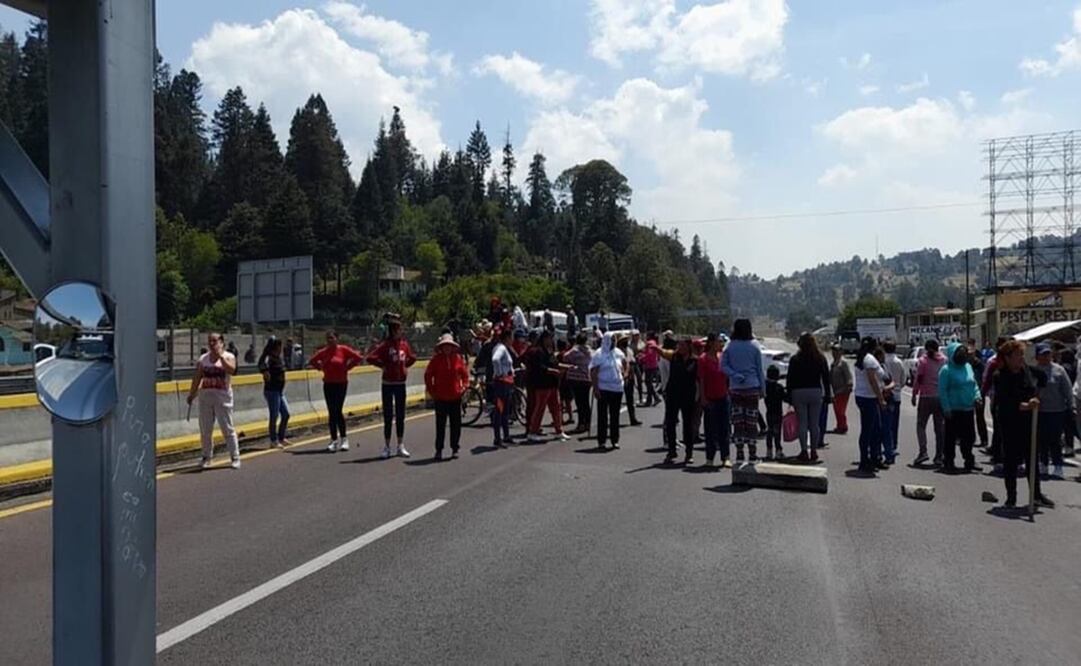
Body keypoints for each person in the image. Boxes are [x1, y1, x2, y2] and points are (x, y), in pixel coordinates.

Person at [994, 340, 1053, 508]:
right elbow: (1005, 401)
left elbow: (1042, 378)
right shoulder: (1000, 376)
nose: (1021, 358)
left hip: (1029, 421)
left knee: (1032, 458)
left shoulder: (1026, 370)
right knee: (1011, 460)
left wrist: (1036, 397)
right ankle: (1011, 497)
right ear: (1007, 358)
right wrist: (1024, 405)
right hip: (1010, 421)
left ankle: (1036, 495)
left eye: (1022, 355)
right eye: (1018, 355)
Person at [187, 332, 240, 469]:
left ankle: (235, 456)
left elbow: (232, 370)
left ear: (222, 342)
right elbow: (197, 377)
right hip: (206, 398)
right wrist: (192, 394)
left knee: (227, 428)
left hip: (223, 398)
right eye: (210, 341)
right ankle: (206, 456)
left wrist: (220, 357)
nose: (212, 344)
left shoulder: (229, 357)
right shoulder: (203, 359)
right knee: (205, 429)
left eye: (215, 341)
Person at [366, 319, 417, 458]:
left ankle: (400, 445)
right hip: (388, 384)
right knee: (388, 416)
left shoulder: (404, 345)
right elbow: (370, 358)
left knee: (401, 415)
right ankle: (387, 446)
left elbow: (412, 357)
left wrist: (405, 366)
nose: (402, 331)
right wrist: (383, 366)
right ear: (394, 331)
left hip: (400, 384)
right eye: (399, 329)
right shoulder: (385, 345)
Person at [309, 331, 363, 453]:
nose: (330, 340)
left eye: (332, 338)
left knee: (337, 410)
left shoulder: (343, 350)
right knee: (331, 411)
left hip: (341, 384)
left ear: (336, 339)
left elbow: (358, 357)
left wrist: (348, 367)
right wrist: (320, 367)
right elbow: (312, 361)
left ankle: (344, 438)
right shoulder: (324, 352)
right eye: (328, 338)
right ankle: (333, 440)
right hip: (328, 384)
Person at [721, 319, 765, 462]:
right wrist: (762, 389)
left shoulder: (729, 346)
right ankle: (752, 453)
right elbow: (760, 370)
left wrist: (735, 375)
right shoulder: (755, 346)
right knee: (751, 422)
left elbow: (723, 366)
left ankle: (739, 453)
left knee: (738, 422)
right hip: (752, 387)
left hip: (736, 389)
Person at [786, 332, 832, 463]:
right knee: (814, 423)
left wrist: (789, 396)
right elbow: (826, 378)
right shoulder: (820, 358)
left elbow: (790, 379)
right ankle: (814, 450)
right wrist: (828, 394)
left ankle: (804, 451)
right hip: (815, 391)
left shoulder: (795, 359)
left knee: (802, 423)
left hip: (799, 392)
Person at [938, 341, 981, 473]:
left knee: (968, 437)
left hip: (968, 408)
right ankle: (949, 461)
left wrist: (977, 396)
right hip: (953, 410)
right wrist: (946, 408)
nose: (962, 356)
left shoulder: (967, 366)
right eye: (959, 353)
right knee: (950, 438)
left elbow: (973, 385)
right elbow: (942, 391)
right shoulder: (946, 370)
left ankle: (969, 460)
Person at [424, 334, 469, 460]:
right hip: (441, 398)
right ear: (442, 347)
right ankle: (439, 450)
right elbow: (428, 376)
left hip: (455, 397)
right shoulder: (436, 360)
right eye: (445, 346)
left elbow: (465, 376)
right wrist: (432, 391)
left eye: (449, 346)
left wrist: (463, 388)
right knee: (440, 426)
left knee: (456, 425)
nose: (447, 348)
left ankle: (455, 448)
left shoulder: (458, 359)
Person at [524, 330, 570, 443]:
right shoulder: (538, 352)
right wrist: (553, 371)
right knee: (540, 408)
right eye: (550, 338)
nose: (551, 340)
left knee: (556, 407)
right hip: (542, 384)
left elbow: (555, 363)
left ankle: (559, 431)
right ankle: (533, 431)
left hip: (552, 384)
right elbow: (540, 368)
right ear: (544, 339)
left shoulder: (549, 351)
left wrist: (567, 367)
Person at [1034, 342, 1071, 479]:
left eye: (1048, 354)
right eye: (1043, 354)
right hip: (1040, 411)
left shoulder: (1059, 370)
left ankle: (1058, 465)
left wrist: (1070, 406)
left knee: (1055, 439)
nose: (1046, 356)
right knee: (1041, 439)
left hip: (1057, 410)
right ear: (1037, 356)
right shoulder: (1034, 371)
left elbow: (1067, 389)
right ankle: (1043, 463)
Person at [853, 337, 887, 474]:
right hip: (869, 398)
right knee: (870, 430)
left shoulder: (862, 358)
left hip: (862, 396)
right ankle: (865, 460)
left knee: (874, 429)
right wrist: (881, 399)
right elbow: (872, 380)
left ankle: (873, 457)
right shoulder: (869, 359)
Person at [661, 338, 698, 464]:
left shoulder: (695, 360)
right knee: (670, 423)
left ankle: (689, 453)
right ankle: (672, 451)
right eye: (679, 345)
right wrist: (655, 348)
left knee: (688, 425)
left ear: (688, 346)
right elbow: (662, 352)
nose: (680, 347)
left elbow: (699, 379)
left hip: (688, 396)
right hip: (673, 394)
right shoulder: (674, 357)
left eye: (682, 345)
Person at [698, 333, 731, 467]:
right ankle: (710, 458)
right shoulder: (703, 359)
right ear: (711, 343)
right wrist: (703, 397)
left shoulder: (722, 357)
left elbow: (728, 376)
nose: (721, 344)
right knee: (710, 430)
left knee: (724, 428)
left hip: (723, 397)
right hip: (710, 398)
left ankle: (726, 457)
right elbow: (701, 380)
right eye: (718, 341)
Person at [911, 339, 946, 466]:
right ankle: (939, 456)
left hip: (926, 396)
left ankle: (923, 452)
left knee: (921, 425)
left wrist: (914, 394)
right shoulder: (944, 360)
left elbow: (918, 379)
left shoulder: (923, 361)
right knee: (939, 428)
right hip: (940, 397)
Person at [590, 331, 627, 451]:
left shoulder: (618, 353)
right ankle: (601, 441)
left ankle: (614, 440)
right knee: (603, 416)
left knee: (615, 416)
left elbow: (625, 363)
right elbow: (594, 372)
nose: (613, 342)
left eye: (614, 340)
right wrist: (595, 388)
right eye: (612, 340)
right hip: (603, 388)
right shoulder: (599, 354)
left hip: (617, 388)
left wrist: (625, 374)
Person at [258, 338, 290, 449]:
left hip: (279, 391)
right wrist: (265, 372)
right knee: (274, 415)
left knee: (286, 414)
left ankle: (281, 437)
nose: (280, 349)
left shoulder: (278, 358)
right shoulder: (269, 358)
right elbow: (261, 364)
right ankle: (273, 440)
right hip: (272, 391)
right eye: (279, 346)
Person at [489, 328, 515, 448]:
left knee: (504, 411)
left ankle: (506, 436)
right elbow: (495, 359)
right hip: (501, 384)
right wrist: (500, 373)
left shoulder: (505, 348)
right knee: (499, 411)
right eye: (511, 337)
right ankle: (497, 438)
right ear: (507, 338)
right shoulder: (501, 348)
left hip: (506, 383)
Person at [563, 333, 593, 435]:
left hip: (577, 379)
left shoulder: (575, 350)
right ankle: (588, 423)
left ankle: (581, 424)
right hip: (587, 378)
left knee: (580, 403)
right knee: (586, 403)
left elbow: (565, 357)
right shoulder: (590, 351)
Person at [882, 341, 907, 463]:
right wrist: (898, 388)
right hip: (896, 395)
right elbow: (903, 379)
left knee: (883, 422)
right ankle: (893, 445)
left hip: (884, 394)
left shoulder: (882, 362)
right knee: (894, 423)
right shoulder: (898, 362)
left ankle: (884, 445)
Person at [966, 338, 990, 449]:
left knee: (980, 417)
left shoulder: (979, 361)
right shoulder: (964, 364)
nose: (970, 356)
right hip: (967, 391)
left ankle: (984, 439)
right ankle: (970, 438)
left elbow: (985, 374)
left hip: (979, 391)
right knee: (968, 416)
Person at [616, 335, 642, 426]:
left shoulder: (629, 350)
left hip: (630, 377)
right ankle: (615, 420)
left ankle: (633, 418)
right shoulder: (616, 352)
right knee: (617, 400)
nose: (626, 342)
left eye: (626, 340)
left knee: (630, 399)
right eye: (624, 340)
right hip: (619, 378)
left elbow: (633, 362)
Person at [829, 344, 853, 434]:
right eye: (833, 350)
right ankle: (839, 425)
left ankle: (843, 426)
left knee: (840, 410)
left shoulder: (843, 363)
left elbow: (848, 376)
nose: (834, 352)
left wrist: (849, 385)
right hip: (835, 390)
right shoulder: (833, 363)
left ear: (841, 352)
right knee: (836, 409)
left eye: (837, 350)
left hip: (843, 390)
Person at [764, 365, 786, 461]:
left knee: (770, 431)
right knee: (777, 432)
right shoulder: (779, 388)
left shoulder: (766, 387)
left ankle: (769, 451)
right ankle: (778, 450)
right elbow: (785, 397)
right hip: (778, 413)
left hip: (769, 412)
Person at [638, 335, 661, 407]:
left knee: (648, 383)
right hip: (654, 365)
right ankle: (652, 399)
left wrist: (642, 358)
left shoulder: (649, 343)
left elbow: (649, 355)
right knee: (649, 383)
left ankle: (653, 398)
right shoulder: (654, 344)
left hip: (649, 366)